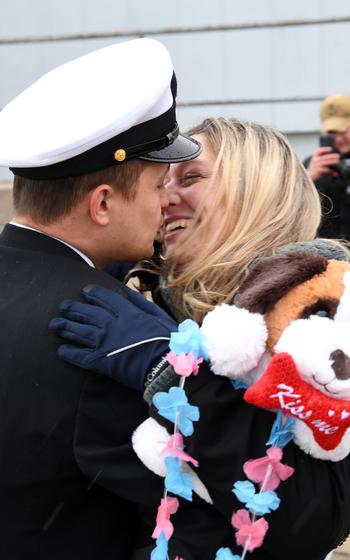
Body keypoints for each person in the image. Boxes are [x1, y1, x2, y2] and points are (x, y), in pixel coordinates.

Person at [52, 117, 350, 559]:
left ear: (258, 190)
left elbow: (311, 520)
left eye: (190, 178)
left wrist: (168, 368)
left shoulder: (324, 306)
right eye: (161, 184)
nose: (166, 201)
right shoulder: (151, 295)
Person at [0, 39, 239, 560]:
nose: (165, 204)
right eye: (157, 186)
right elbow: (190, 510)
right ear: (103, 203)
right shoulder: (100, 321)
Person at [304, 94, 350, 239]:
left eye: (343, 131)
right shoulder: (311, 165)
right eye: (332, 132)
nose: (338, 139)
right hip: (325, 254)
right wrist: (307, 179)